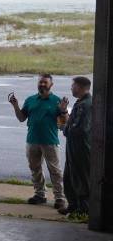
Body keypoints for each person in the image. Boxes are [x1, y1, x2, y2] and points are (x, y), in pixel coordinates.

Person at [8, 74, 65, 210]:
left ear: (51, 85)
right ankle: (40, 195)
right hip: (32, 140)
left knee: (55, 171)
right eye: (40, 82)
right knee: (35, 169)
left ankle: (60, 198)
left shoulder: (57, 101)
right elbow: (22, 118)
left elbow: (63, 125)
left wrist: (63, 111)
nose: (42, 84)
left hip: (50, 141)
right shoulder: (30, 100)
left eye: (45, 82)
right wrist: (15, 105)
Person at [58, 76, 92, 215]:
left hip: (80, 148)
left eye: (73, 85)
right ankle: (73, 205)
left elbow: (79, 128)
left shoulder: (85, 105)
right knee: (69, 177)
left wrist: (64, 128)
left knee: (80, 179)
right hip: (74, 147)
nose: (71, 88)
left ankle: (83, 210)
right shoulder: (81, 102)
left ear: (79, 87)